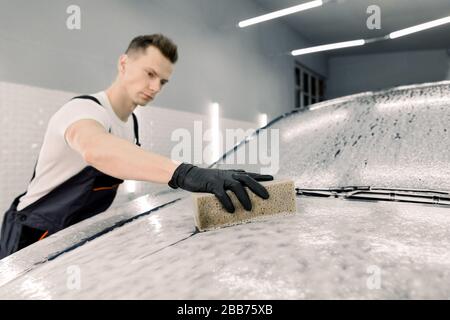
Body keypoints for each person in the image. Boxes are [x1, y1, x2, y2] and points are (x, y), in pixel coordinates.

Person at [0, 34, 273, 259]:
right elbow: (95, 148)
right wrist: (185, 173)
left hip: (71, 233)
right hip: (33, 232)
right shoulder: (83, 110)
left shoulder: (131, 124)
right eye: (150, 74)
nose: (155, 87)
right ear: (123, 63)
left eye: (163, 82)